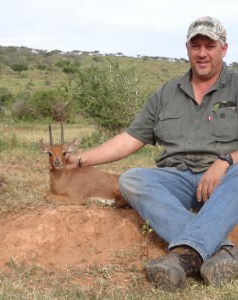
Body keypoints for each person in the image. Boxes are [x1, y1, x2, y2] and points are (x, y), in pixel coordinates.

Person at [65, 16, 238, 292]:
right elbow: (130, 138)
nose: (202, 53)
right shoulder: (167, 93)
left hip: (226, 178)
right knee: (133, 179)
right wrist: (82, 159)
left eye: (210, 45)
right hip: (178, 179)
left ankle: (183, 258)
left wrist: (226, 160)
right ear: (187, 48)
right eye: (196, 46)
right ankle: (221, 250)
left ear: (224, 49)